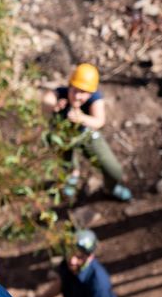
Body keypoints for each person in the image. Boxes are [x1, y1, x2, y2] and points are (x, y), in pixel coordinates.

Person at [41, 62, 133, 202]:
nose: (78, 96)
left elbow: (99, 121)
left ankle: (110, 188)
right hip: (64, 137)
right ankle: (72, 176)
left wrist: (82, 118)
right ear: (70, 85)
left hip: (86, 135)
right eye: (75, 90)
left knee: (114, 171)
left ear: (91, 93)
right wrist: (55, 106)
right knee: (67, 162)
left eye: (83, 92)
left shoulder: (95, 99)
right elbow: (47, 99)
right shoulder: (62, 94)